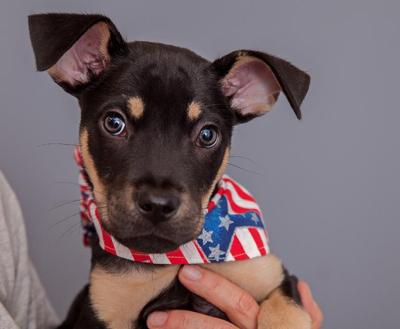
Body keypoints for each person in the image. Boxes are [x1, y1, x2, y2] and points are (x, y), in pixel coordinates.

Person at [0, 171, 323, 329]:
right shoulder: (114, 273)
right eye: (116, 124)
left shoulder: (236, 245)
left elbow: (283, 298)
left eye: (205, 135)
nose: (158, 196)